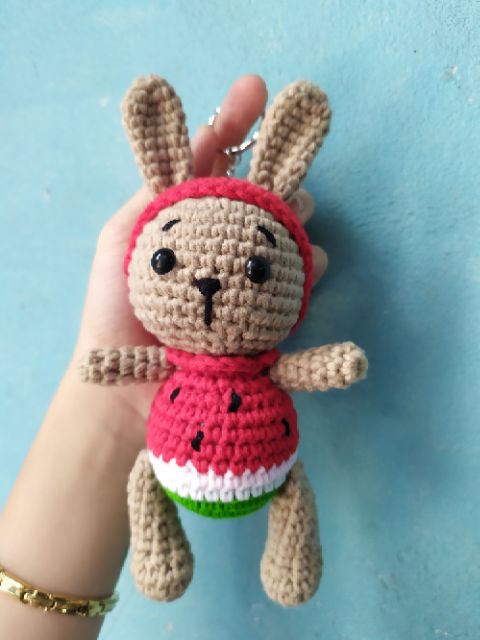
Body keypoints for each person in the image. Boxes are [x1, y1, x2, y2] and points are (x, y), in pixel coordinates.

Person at [0, 75, 328, 640]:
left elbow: (294, 368)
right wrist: (104, 370)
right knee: (146, 479)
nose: (207, 285)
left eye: (257, 269)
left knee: (288, 488)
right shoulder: (163, 350)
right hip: (175, 457)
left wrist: (329, 364)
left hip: (264, 465)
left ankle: (290, 550)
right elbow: (124, 364)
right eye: (166, 261)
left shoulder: (256, 356)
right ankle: (160, 547)